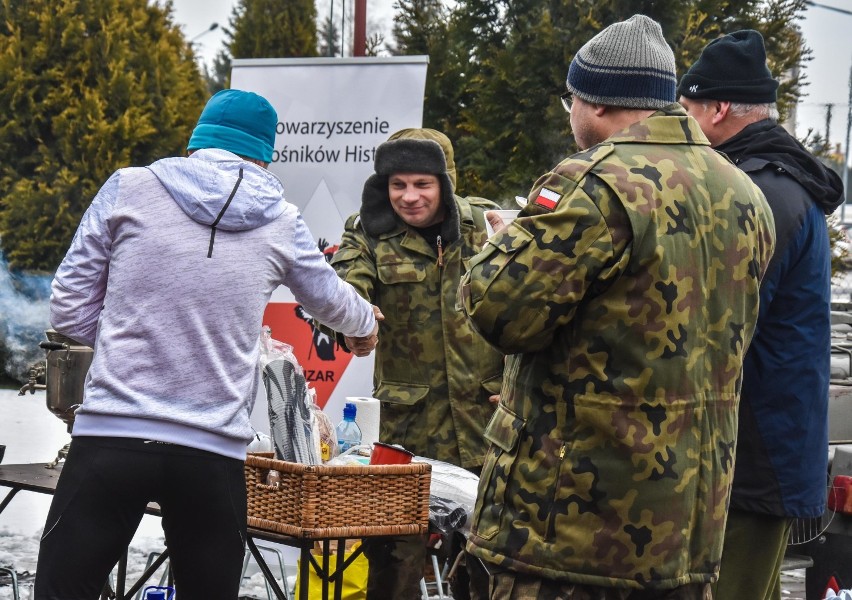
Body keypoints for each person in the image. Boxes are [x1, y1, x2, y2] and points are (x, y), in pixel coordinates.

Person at [460, 14, 776, 600]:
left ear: (597, 104)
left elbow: (499, 311)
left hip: (573, 534)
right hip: (686, 532)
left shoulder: (596, 181)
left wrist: (505, 245)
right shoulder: (743, 192)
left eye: (569, 101)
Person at [35, 89, 378, 599]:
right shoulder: (280, 219)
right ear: (265, 154)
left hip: (112, 436)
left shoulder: (130, 187)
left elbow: (67, 305)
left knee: (64, 590)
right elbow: (333, 300)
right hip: (212, 452)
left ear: (196, 142)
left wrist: (118, 348)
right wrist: (365, 326)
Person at [678, 30, 844, 600]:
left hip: (753, 451)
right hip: (765, 444)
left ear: (718, 107)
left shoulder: (760, 191)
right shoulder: (775, 179)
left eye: (688, 108)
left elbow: (723, 325)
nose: (682, 124)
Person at [329, 128, 504, 599]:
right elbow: (347, 284)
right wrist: (353, 321)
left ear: (446, 182)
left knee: (491, 562)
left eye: (422, 184)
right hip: (408, 432)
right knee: (394, 563)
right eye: (397, 184)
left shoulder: (488, 224)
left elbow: (535, 301)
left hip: (487, 424)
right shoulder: (367, 231)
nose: (409, 197)